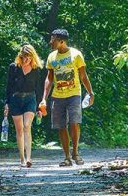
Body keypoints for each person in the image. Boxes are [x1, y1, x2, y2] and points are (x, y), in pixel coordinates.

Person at [39, 29, 95, 167]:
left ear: (62, 41)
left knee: (74, 122)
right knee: (61, 126)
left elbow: (83, 75)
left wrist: (90, 92)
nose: (50, 42)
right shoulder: (52, 57)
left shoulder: (76, 55)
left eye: (53, 40)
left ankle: (75, 153)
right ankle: (67, 157)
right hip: (58, 96)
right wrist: (44, 98)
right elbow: (49, 79)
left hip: (74, 93)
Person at [4, 45, 44, 167]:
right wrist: (6, 103)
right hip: (15, 99)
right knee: (19, 129)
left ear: (33, 56)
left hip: (30, 99)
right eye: (23, 56)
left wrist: (39, 107)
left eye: (28, 57)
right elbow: (9, 86)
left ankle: (28, 158)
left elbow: (39, 89)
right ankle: (21, 158)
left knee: (27, 126)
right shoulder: (13, 67)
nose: (26, 59)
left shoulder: (36, 69)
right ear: (20, 56)